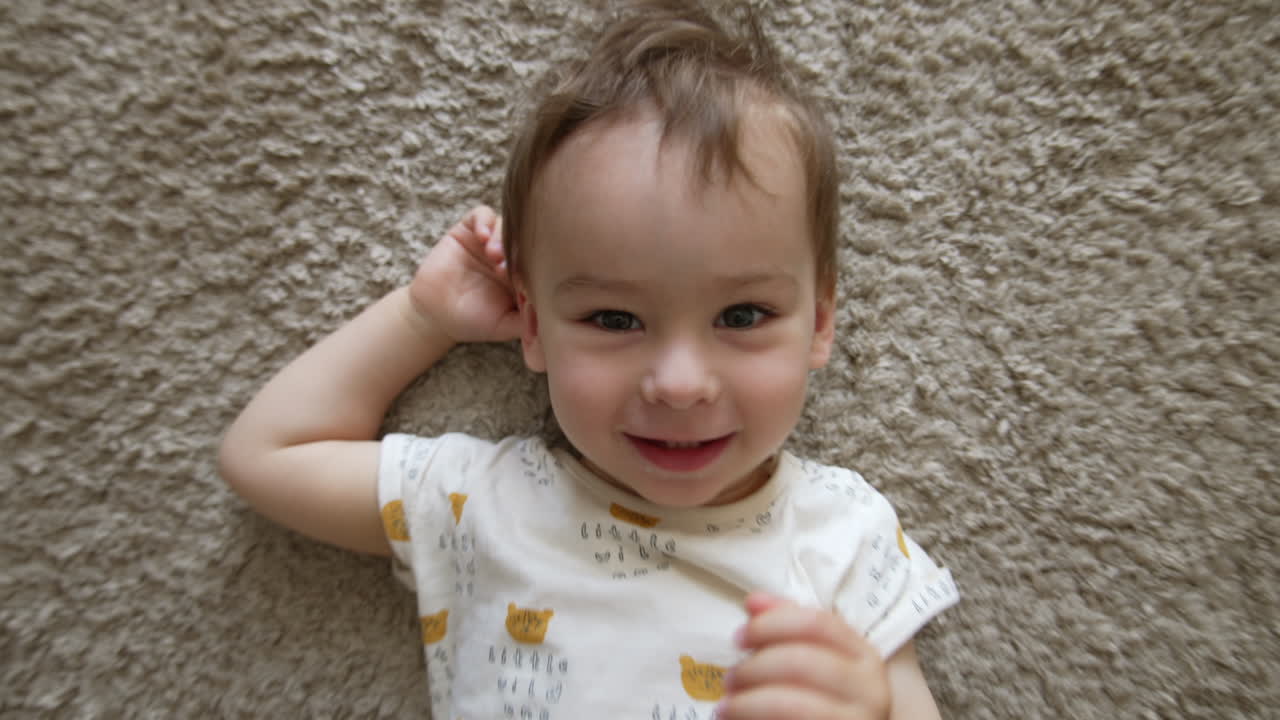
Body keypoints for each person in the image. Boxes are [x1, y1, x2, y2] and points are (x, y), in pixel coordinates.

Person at [219, 2, 959, 718]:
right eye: (614, 318)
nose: (677, 384)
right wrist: (422, 319)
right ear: (534, 329)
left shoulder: (842, 534)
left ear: (820, 323)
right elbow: (266, 454)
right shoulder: (483, 503)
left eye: (742, 316)